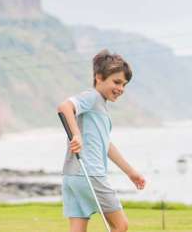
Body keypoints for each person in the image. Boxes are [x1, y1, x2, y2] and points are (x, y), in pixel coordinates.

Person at [57, 50, 146, 232]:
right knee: (120, 225)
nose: (121, 88)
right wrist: (77, 135)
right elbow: (65, 107)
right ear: (99, 77)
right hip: (90, 173)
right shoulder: (93, 97)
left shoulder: (100, 107)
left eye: (124, 84)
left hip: (71, 176)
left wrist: (131, 173)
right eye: (117, 82)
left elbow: (106, 145)